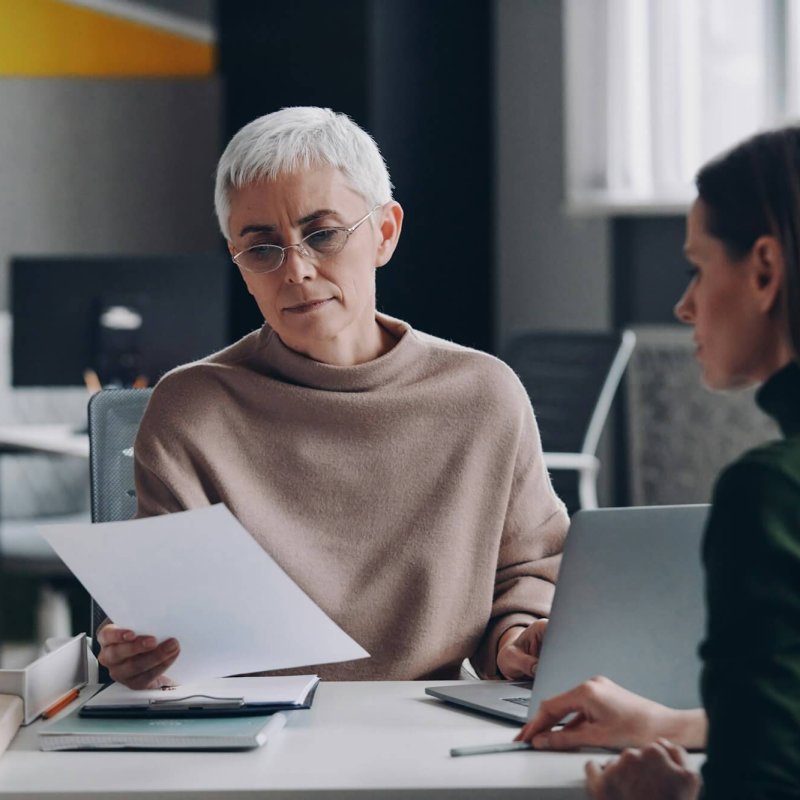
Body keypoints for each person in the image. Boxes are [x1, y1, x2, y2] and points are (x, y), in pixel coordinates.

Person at [96, 106, 568, 689]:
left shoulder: (483, 396)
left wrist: (521, 641)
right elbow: (164, 615)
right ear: (240, 266)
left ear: (385, 233)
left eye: (322, 235)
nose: (295, 269)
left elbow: (527, 577)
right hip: (245, 727)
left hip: (424, 725)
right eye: (263, 248)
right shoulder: (190, 408)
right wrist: (141, 654)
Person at [516, 126, 800, 799]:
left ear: (764, 269)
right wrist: (672, 722)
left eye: (698, 268)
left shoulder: (769, 492)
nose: (683, 304)